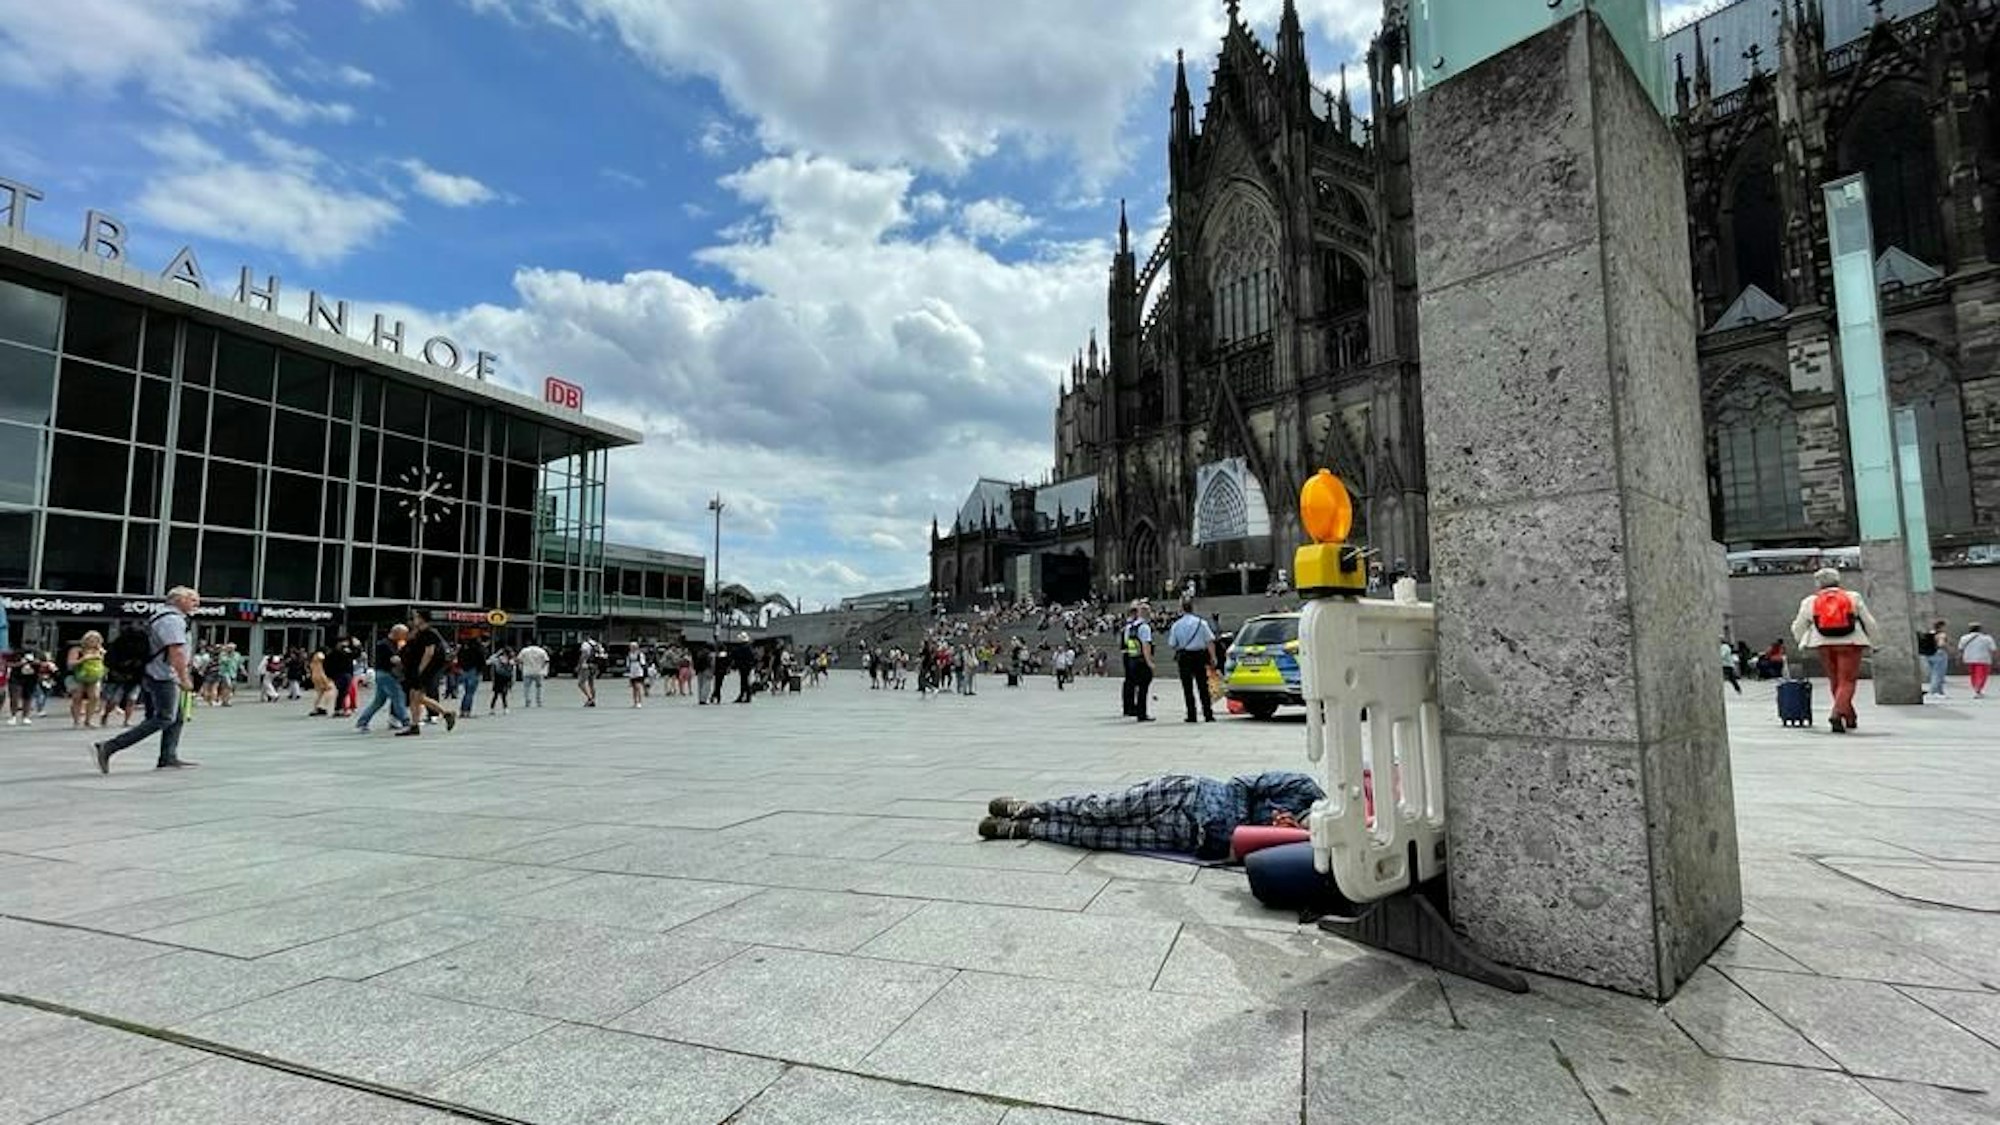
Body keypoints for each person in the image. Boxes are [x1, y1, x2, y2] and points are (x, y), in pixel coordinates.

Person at [976, 771, 1325, 859]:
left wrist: (1272, 836)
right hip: (1188, 796)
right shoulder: (1302, 787)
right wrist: (1255, 823)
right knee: (1101, 810)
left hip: (1189, 838)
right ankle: (1035, 807)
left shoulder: (1309, 847)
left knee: (1098, 839)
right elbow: (1241, 784)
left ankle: (1025, 830)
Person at [91, 587, 200, 772]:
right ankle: (109, 746)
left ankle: (168, 756)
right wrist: (184, 677)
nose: (197, 603)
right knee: (164, 718)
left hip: (157, 672)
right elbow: (176, 650)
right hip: (163, 674)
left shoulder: (163, 617)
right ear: (178, 600)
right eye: (192, 599)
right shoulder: (171, 620)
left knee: (177, 717)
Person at [1790, 567, 1881, 734]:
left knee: (1835, 681)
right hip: (1850, 642)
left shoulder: (1810, 601)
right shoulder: (1852, 597)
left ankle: (1850, 716)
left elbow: (1798, 625)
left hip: (1823, 643)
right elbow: (1869, 621)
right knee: (1847, 681)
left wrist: (1801, 641)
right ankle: (1837, 714)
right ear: (1838, 581)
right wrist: (1875, 643)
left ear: (1818, 584)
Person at [397, 611, 457, 736]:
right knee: (415, 696)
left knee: (416, 696)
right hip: (417, 669)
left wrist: (421, 669)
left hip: (426, 670)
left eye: (416, 617)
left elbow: (429, 653)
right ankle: (416, 725)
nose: (414, 620)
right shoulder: (419, 633)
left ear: (422, 619)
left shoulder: (430, 633)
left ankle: (444, 714)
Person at [1167, 597, 1218, 723]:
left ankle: (1191, 714)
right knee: (1203, 686)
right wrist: (1213, 657)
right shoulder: (1201, 623)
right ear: (1193, 608)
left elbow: (1172, 643)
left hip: (1184, 657)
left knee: (1187, 687)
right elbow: (1210, 641)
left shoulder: (1176, 625)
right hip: (1199, 656)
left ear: (1181, 609)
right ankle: (1208, 714)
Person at [355, 625, 411, 733]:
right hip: (387, 675)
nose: (405, 637)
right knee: (398, 697)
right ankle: (406, 721)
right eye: (404, 634)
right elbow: (395, 660)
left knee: (378, 701)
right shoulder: (385, 644)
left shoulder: (389, 643)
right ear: (397, 633)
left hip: (383, 674)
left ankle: (362, 723)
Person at [1120, 601, 1156, 722]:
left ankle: (1133, 708)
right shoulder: (1144, 627)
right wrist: (1149, 661)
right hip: (1141, 659)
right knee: (1143, 687)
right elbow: (1146, 645)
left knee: (1135, 685)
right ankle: (1142, 713)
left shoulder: (1130, 627)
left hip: (1132, 659)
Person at [66, 630, 107, 728]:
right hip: (78, 675)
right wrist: (84, 659)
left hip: (94, 676)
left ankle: (88, 720)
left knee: (95, 697)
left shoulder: (100, 651)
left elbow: (104, 664)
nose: (92, 642)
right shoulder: (77, 650)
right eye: (90, 640)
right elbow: (70, 664)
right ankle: (76, 721)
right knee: (77, 697)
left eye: (95, 640)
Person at [1958, 622, 1995, 699]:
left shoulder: (1964, 638)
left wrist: (1960, 657)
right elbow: (1993, 649)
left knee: (1973, 675)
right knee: (1981, 675)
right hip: (1983, 659)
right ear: (1980, 629)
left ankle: (1976, 689)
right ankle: (1978, 690)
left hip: (1969, 659)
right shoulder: (1987, 638)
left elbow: (1960, 648)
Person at [323, 638, 356, 718]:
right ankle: (340, 709)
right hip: (342, 674)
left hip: (341, 674)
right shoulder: (338, 653)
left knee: (342, 692)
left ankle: (339, 708)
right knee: (343, 692)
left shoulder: (335, 653)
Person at [457, 634, 487, 719]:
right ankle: (467, 712)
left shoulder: (463, 649)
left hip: (464, 670)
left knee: (466, 692)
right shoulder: (478, 649)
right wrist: (481, 670)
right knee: (470, 693)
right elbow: (482, 660)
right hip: (473, 671)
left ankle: (462, 711)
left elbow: (459, 659)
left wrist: (462, 667)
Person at [1921, 620, 1951, 698]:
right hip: (1940, 654)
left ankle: (1940, 691)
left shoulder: (1931, 633)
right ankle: (1934, 692)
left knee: (1934, 673)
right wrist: (1949, 648)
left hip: (1930, 654)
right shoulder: (1941, 634)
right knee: (1938, 674)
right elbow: (1941, 644)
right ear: (1941, 626)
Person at [517, 640, 549, 708]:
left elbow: (519, 660)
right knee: (539, 687)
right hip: (538, 671)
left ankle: (528, 701)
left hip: (527, 671)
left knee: (527, 687)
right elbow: (546, 661)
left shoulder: (524, 650)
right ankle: (539, 701)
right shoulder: (542, 651)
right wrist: (543, 668)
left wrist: (521, 668)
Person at [729, 632, 755, 703]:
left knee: (744, 682)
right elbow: (752, 658)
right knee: (746, 682)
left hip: (743, 667)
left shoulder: (740, 648)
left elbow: (733, 656)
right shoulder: (749, 648)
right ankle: (746, 696)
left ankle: (744, 696)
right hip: (747, 667)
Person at [576, 637, 603, 707]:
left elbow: (584, 655)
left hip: (586, 665)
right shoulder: (597, 645)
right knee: (591, 683)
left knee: (581, 683)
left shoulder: (585, 644)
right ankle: (593, 699)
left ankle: (590, 698)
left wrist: (579, 665)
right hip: (594, 666)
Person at [215, 643, 244, 707]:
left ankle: (225, 700)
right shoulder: (223, 655)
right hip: (224, 673)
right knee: (228, 686)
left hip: (233, 673)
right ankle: (226, 701)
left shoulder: (237, 655)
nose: (230, 649)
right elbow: (223, 661)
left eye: (232, 648)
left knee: (232, 688)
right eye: (229, 648)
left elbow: (240, 663)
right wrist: (228, 655)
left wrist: (243, 671)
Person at [488, 647, 516, 713]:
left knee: (496, 694)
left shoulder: (497, 659)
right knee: (503, 694)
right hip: (506, 678)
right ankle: (505, 708)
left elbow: (489, 660)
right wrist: (512, 681)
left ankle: (492, 708)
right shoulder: (511, 660)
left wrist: (497, 653)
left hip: (498, 678)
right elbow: (513, 671)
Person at [625, 643, 649, 708]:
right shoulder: (629, 654)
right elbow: (628, 663)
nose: (632, 648)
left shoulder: (640, 654)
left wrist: (644, 673)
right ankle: (635, 702)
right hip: (632, 672)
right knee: (634, 688)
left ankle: (639, 702)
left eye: (633, 647)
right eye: (631, 647)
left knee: (638, 686)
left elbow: (643, 663)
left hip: (638, 671)